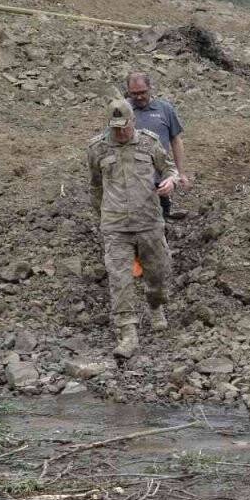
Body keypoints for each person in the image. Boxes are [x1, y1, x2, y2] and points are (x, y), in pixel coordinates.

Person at [87, 98, 180, 357]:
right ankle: (127, 333)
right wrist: (103, 217)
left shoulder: (149, 143)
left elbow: (170, 168)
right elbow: (95, 187)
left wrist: (171, 181)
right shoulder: (97, 149)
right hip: (116, 226)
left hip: (149, 221)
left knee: (159, 273)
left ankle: (155, 303)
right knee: (120, 279)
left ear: (133, 121)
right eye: (115, 127)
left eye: (124, 127)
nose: (120, 132)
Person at [125, 72, 190, 220]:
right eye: (134, 94)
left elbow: (176, 141)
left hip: (159, 178)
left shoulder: (165, 109)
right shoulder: (123, 110)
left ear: (150, 88)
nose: (139, 97)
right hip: (130, 180)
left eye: (143, 92)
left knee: (160, 219)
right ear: (128, 92)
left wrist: (181, 173)